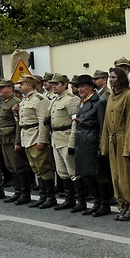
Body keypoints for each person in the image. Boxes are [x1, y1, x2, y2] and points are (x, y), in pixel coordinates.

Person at [101, 67, 130, 221]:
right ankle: (122, 205)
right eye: (110, 77)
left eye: (113, 77)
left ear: (121, 79)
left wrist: (128, 147)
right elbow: (106, 123)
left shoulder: (129, 97)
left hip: (123, 140)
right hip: (113, 141)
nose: (111, 80)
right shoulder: (111, 97)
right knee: (116, 177)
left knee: (127, 177)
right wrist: (104, 145)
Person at [74, 74, 111, 217]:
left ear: (91, 87)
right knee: (87, 175)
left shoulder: (99, 102)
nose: (80, 89)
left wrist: (102, 147)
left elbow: (103, 127)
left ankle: (104, 204)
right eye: (79, 86)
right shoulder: (81, 102)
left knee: (99, 175)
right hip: (82, 142)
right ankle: (96, 202)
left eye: (83, 86)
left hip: (93, 142)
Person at [17, 75, 57, 208]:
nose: (19, 86)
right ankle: (43, 195)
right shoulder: (24, 100)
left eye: (22, 84)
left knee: (43, 167)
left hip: (35, 136)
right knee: (35, 168)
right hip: (27, 136)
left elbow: (42, 121)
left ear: (29, 85)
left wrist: (42, 140)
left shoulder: (40, 99)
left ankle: (50, 197)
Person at [47, 74, 84, 212]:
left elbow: (75, 122)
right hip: (56, 138)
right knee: (62, 171)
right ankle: (69, 199)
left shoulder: (71, 100)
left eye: (57, 84)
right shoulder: (55, 100)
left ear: (65, 85)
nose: (54, 86)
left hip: (66, 137)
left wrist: (72, 142)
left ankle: (81, 200)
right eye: (53, 84)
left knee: (73, 171)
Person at [0, 79, 32, 205]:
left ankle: (25, 193)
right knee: (11, 167)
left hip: (11, 139)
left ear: (10, 88)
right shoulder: (3, 103)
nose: (0, 91)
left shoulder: (15, 102)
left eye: (2, 88)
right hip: (4, 139)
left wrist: (17, 142)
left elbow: (17, 125)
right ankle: (18, 191)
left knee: (18, 166)